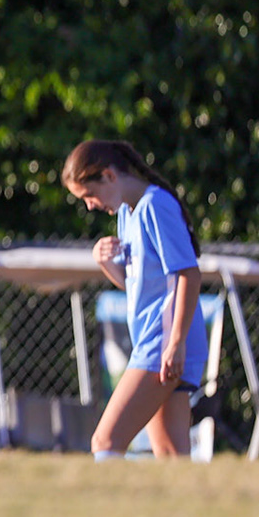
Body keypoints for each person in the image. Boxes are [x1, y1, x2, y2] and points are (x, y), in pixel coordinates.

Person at [62, 139, 206, 459]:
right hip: (159, 340)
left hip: (164, 340)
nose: (90, 205)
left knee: (105, 442)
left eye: (89, 195)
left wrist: (176, 342)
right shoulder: (127, 213)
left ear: (110, 176)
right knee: (171, 456)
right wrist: (108, 265)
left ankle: (110, 511)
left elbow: (189, 275)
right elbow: (141, 287)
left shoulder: (156, 204)